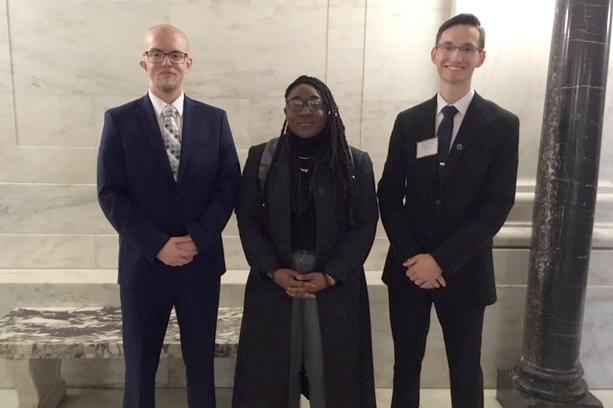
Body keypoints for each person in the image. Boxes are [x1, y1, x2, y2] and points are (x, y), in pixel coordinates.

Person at [378, 14, 519, 408]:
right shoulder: (409, 122)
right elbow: (389, 194)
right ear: (434, 53)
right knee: (405, 366)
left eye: (467, 48)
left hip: (466, 269)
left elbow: (498, 204)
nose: (457, 56)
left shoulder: (502, 124)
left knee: (465, 367)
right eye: (449, 47)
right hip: (408, 271)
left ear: (481, 58)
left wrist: (440, 260)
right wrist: (413, 258)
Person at [96, 24, 241, 408]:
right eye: (157, 54)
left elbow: (229, 186)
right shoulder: (119, 121)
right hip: (143, 266)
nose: (166, 62)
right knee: (140, 369)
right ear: (143, 62)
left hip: (200, 263)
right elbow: (111, 193)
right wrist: (157, 245)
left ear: (188, 63)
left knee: (201, 368)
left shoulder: (215, 120)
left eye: (175, 55)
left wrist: (197, 238)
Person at [232, 75, 378, 408]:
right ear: (285, 110)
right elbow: (249, 219)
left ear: (329, 110)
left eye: (314, 102)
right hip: (276, 283)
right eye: (295, 103)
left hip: (334, 286)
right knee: (273, 375)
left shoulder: (355, 162)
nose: (304, 110)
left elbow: (365, 225)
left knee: (331, 375)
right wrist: (272, 270)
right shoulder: (262, 158)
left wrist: (330, 275)